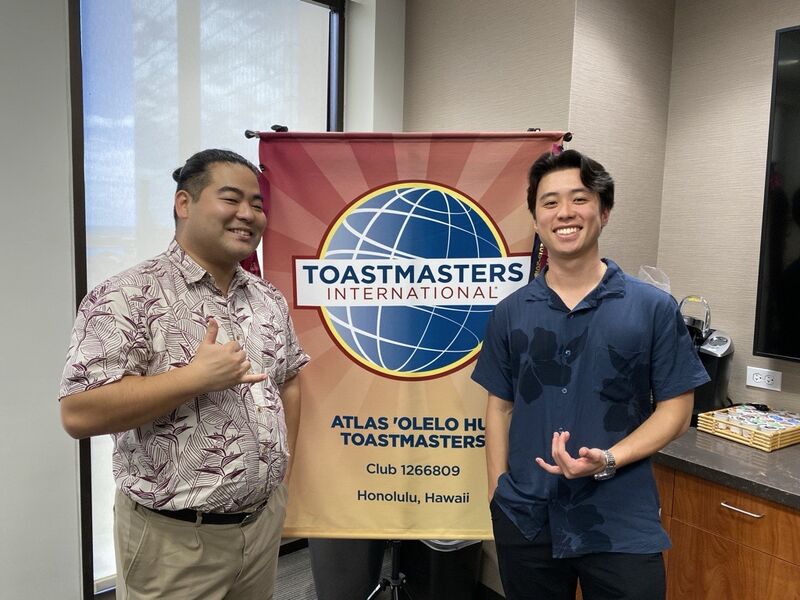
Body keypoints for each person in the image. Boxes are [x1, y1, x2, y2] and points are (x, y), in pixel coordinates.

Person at [59, 149, 309, 600]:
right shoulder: (127, 295)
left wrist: (281, 481)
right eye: (231, 199)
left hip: (261, 526)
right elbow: (78, 414)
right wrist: (193, 378)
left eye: (257, 204)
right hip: (174, 541)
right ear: (184, 204)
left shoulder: (267, 298)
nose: (248, 214)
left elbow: (289, 379)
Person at [471, 149, 709, 600]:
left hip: (620, 516)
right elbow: (498, 408)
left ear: (604, 211)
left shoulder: (651, 308)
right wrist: (497, 495)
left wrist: (611, 457)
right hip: (526, 516)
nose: (564, 212)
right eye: (549, 202)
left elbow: (677, 410)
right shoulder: (510, 312)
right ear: (536, 219)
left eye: (579, 199)